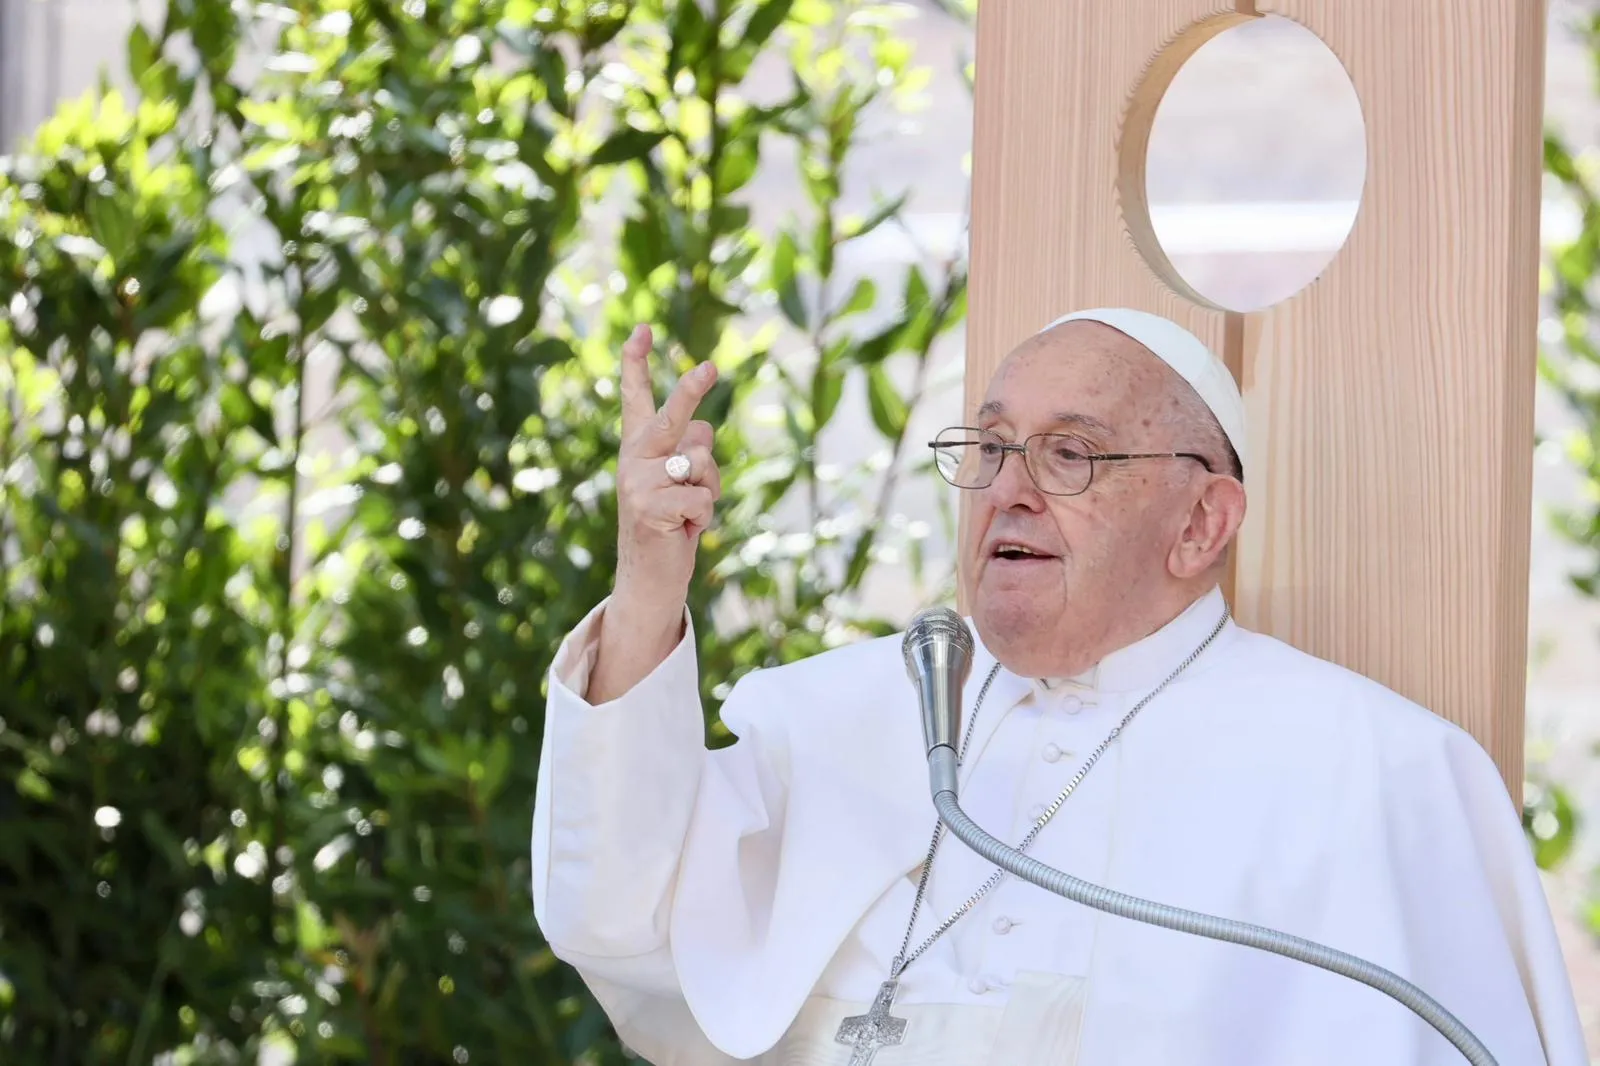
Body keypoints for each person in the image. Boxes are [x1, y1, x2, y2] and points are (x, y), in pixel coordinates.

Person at [531, 308, 1588, 1065]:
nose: (1008, 493)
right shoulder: (860, 712)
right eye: (989, 449)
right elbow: (621, 917)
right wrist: (647, 577)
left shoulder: (1372, 768)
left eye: (1069, 456)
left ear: (1200, 524)